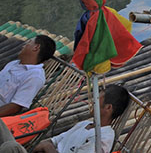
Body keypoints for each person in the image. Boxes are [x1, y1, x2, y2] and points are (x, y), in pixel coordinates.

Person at [0, 84, 130, 153]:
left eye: (97, 99)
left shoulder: (103, 137)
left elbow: (49, 145)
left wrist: (48, 148)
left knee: (11, 148)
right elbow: (53, 141)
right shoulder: (85, 123)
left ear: (108, 108)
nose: (92, 103)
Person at [0, 36, 56, 117]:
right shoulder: (14, 63)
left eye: (29, 42)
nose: (23, 46)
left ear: (36, 47)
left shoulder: (34, 76)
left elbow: (15, 106)